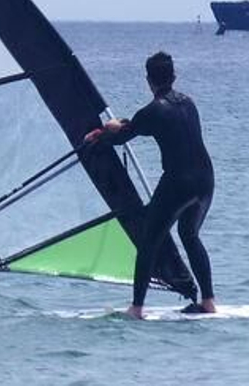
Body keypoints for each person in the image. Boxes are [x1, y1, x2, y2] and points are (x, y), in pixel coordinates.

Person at [85, 51, 216, 319]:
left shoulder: (153, 110)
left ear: (148, 80)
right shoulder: (189, 103)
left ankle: (136, 308)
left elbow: (123, 136)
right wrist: (120, 127)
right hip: (205, 180)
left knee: (148, 241)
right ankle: (209, 301)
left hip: (179, 181)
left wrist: (99, 134)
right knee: (190, 235)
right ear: (173, 76)